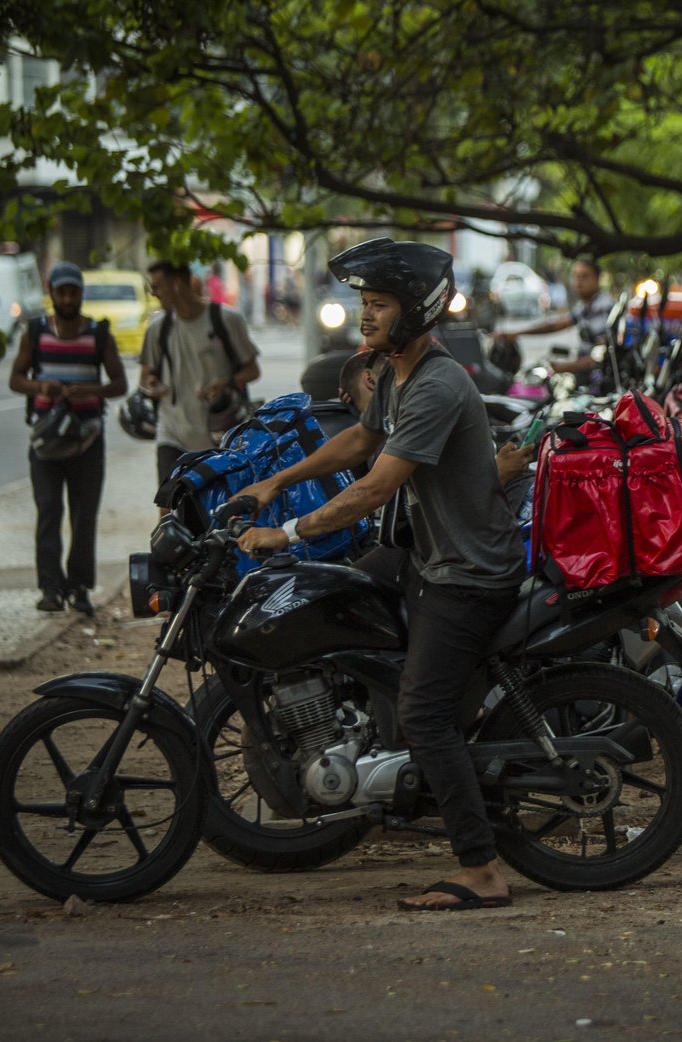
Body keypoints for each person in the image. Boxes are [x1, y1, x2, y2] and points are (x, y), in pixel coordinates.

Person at [233, 239, 526, 912]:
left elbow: (375, 486)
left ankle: (481, 868)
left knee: (424, 711)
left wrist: (288, 530)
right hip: (426, 555)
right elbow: (359, 441)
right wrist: (274, 481)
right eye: (364, 303)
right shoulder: (397, 372)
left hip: (469, 572)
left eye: (379, 304)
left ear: (415, 309)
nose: (365, 315)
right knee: (332, 597)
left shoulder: (438, 384)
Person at [8, 262, 128, 614]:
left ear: (81, 294)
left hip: (87, 440)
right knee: (48, 510)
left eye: (73, 292)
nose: (67, 299)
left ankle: (79, 588)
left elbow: (119, 383)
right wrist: (39, 386)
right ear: (52, 294)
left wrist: (91, 391)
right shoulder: (35, 332)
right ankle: (50, 588)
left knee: (83, 516)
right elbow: (15, 379)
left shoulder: (98, 334)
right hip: (45, 441)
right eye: (61, 292)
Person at [139, 259, 262, 488]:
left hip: (221, 434)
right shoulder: (157, 328)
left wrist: (227, 383)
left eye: (157, 286)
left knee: (219, 503)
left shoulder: (226, 319)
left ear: (177, 284)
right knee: (169, 503)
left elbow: (252, 370)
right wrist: (151, 386)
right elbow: (145, 378)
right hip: (172, 433)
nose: (153, 293)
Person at [495, 257, 615, 374]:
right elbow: (554, 325)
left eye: (584, 276)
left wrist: (565, 367)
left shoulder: (602, 307)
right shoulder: (584, 306)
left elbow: (602, 355)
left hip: (598, 377)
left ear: (597, 279)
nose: (578, 282)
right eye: (575, 276)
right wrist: (516, 333)